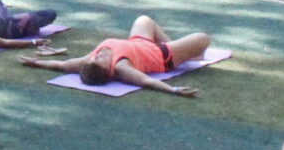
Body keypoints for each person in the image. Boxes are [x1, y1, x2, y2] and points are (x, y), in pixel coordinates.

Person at [45, 14, 215, 96]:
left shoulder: (88, 61)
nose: (98, 56)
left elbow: (60, 65)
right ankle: (188, 54)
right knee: (203, 38)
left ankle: (178, 46)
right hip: (164, 55)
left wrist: (34, 61)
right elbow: (147, 81)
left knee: (144, 20)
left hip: (139, 42)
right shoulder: (121, 67)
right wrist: (174, 90)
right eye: (101, 60)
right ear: (109, 71)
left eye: (95, 58)